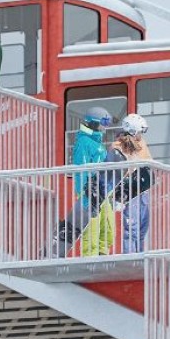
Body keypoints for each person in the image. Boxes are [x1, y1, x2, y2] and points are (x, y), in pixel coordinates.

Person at [68, 107, 117, 256]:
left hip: (102, 191)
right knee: (92, 228)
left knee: (108, 227)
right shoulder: (83, 142)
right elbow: (80, 169)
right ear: (93, 123)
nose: (105, 127)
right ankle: (90, 259)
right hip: (89, 192)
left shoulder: (98, 144)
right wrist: (84, 192)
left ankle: (102, 255)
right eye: (103, 123)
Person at [111, 111, 156, 252]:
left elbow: (148, 162)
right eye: (138, 132)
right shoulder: (118, 146)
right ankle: (130, 256)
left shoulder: (141, 143)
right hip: (130, 190)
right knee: (132, 227)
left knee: (143, 225)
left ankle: (140, 254)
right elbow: (118, 170)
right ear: (132, 131)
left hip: (142, 189)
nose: (140, 136)